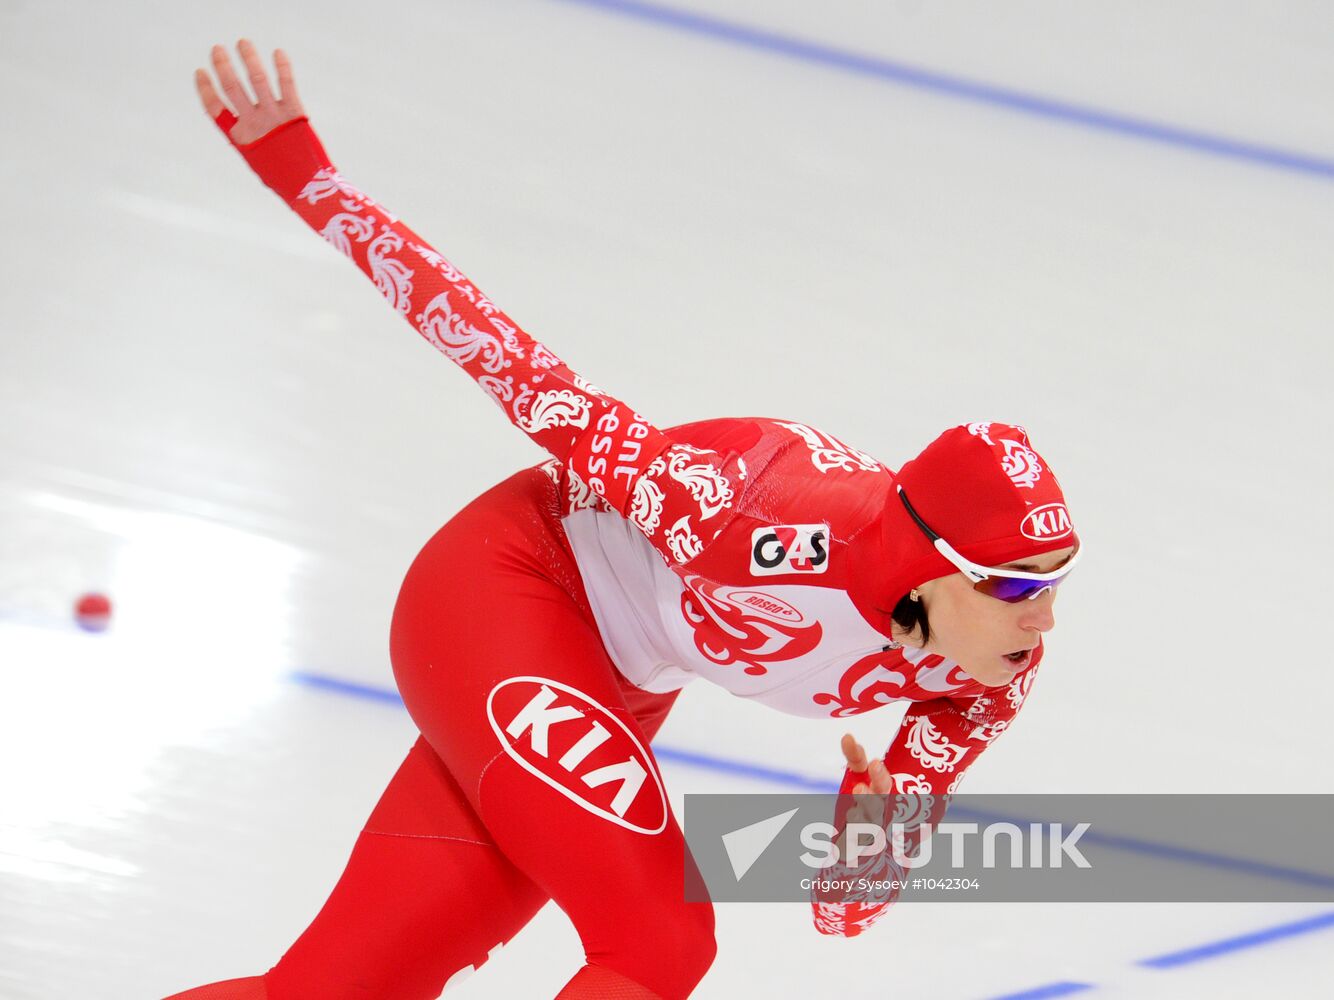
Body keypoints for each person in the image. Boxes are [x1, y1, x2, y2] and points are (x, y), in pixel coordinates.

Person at [166, 39, 1081, 1000]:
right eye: (1017, 586)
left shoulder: (986, 677)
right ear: (935, 570)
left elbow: (838, 913)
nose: (1044, 619)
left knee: (334, 992)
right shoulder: (740, 514)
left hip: (618, 680)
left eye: (1056, 584)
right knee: (661, 940)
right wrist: (310, 180)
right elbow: (515, 368)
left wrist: (868, 841)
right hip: (508, 587)